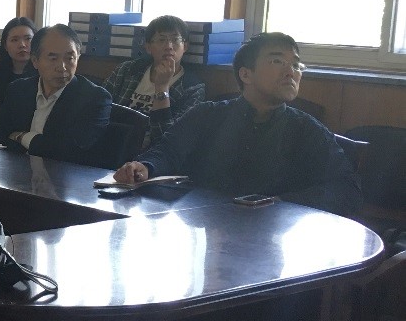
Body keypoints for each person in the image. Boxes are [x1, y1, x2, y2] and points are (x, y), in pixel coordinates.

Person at [114, 32, 361, 215]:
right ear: (246, 74)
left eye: (296, 65)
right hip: (205, 224)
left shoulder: (307, 130)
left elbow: (346, 189)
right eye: (277, 61)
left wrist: (281, 202)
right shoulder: (207, 115)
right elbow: (168, 150)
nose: (291, 71)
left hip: (274, 235)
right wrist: (144, 166)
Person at [0, 24, 111, 165]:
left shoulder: (94, 98)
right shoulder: (18, 90)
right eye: (53, 58)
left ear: (78, 58)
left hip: (64, 177)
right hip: (14, 171)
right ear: (35, 61)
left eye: (70, 58)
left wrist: (23, 137)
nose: (62, 67)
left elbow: (71, 152)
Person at [102, 15, 205, 150]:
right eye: (161, 40)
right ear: (148, 47)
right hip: (111, 143)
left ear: (185, 46)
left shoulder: (193, 88)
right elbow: (100, 107)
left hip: (150, 155)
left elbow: (168, 141)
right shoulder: (127, 70)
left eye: (175, 40)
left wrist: (162, 87)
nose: (169, 46)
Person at [0, 16, 37, 100]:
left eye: (28, 38)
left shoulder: (43, 75)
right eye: (14, 40)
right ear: (5, 45)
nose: (22, 45)